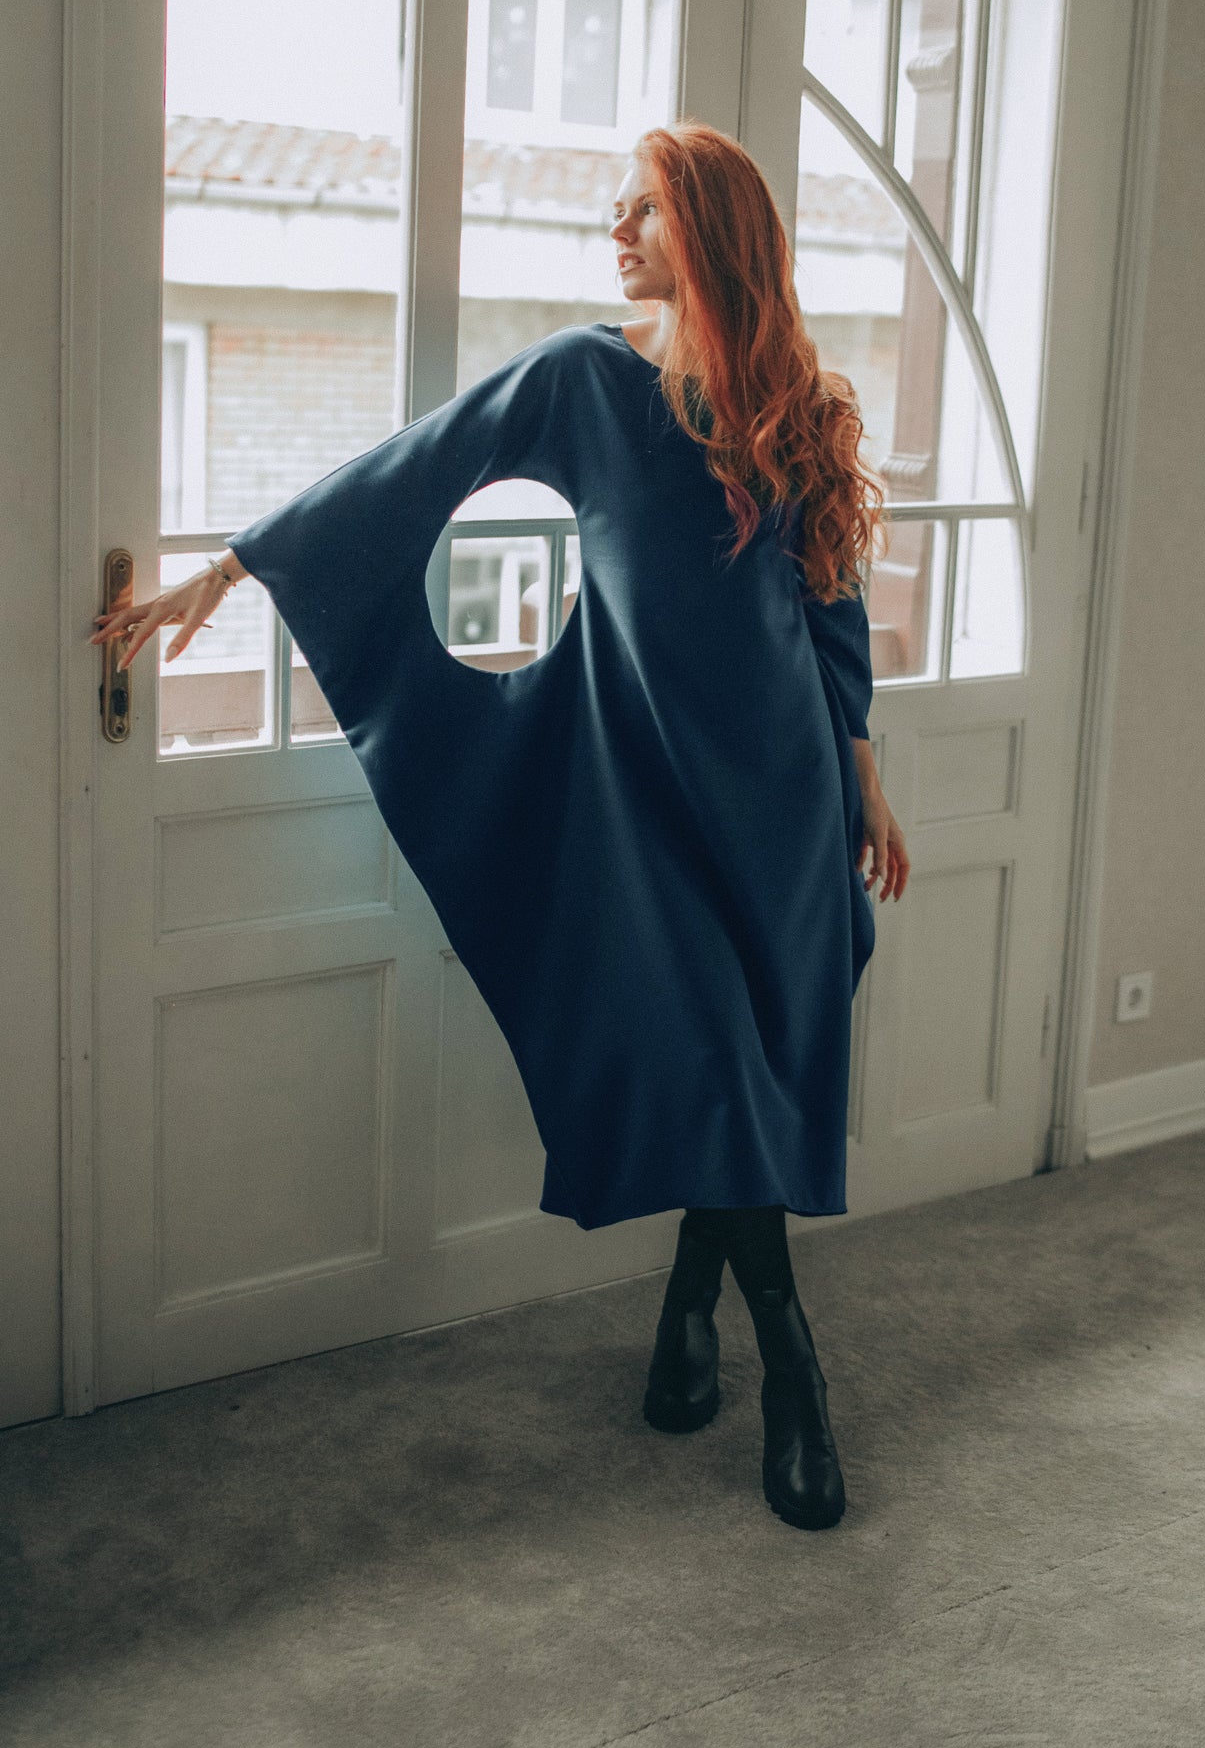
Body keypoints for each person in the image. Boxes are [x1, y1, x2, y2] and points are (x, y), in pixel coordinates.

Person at [91, 120, 911, 1531]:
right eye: (616, 208)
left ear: (706, 232)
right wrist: (223, 572)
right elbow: (409, 475)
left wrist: (867, 780)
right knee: (713, 1062)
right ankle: (795, 1378)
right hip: (646, 802)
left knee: (758, 1068)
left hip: (781, 802)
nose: (615, 228)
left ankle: (682, 1317)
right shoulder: (583, 380)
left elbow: (825, 612)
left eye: (641, 208)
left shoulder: (798, 404)